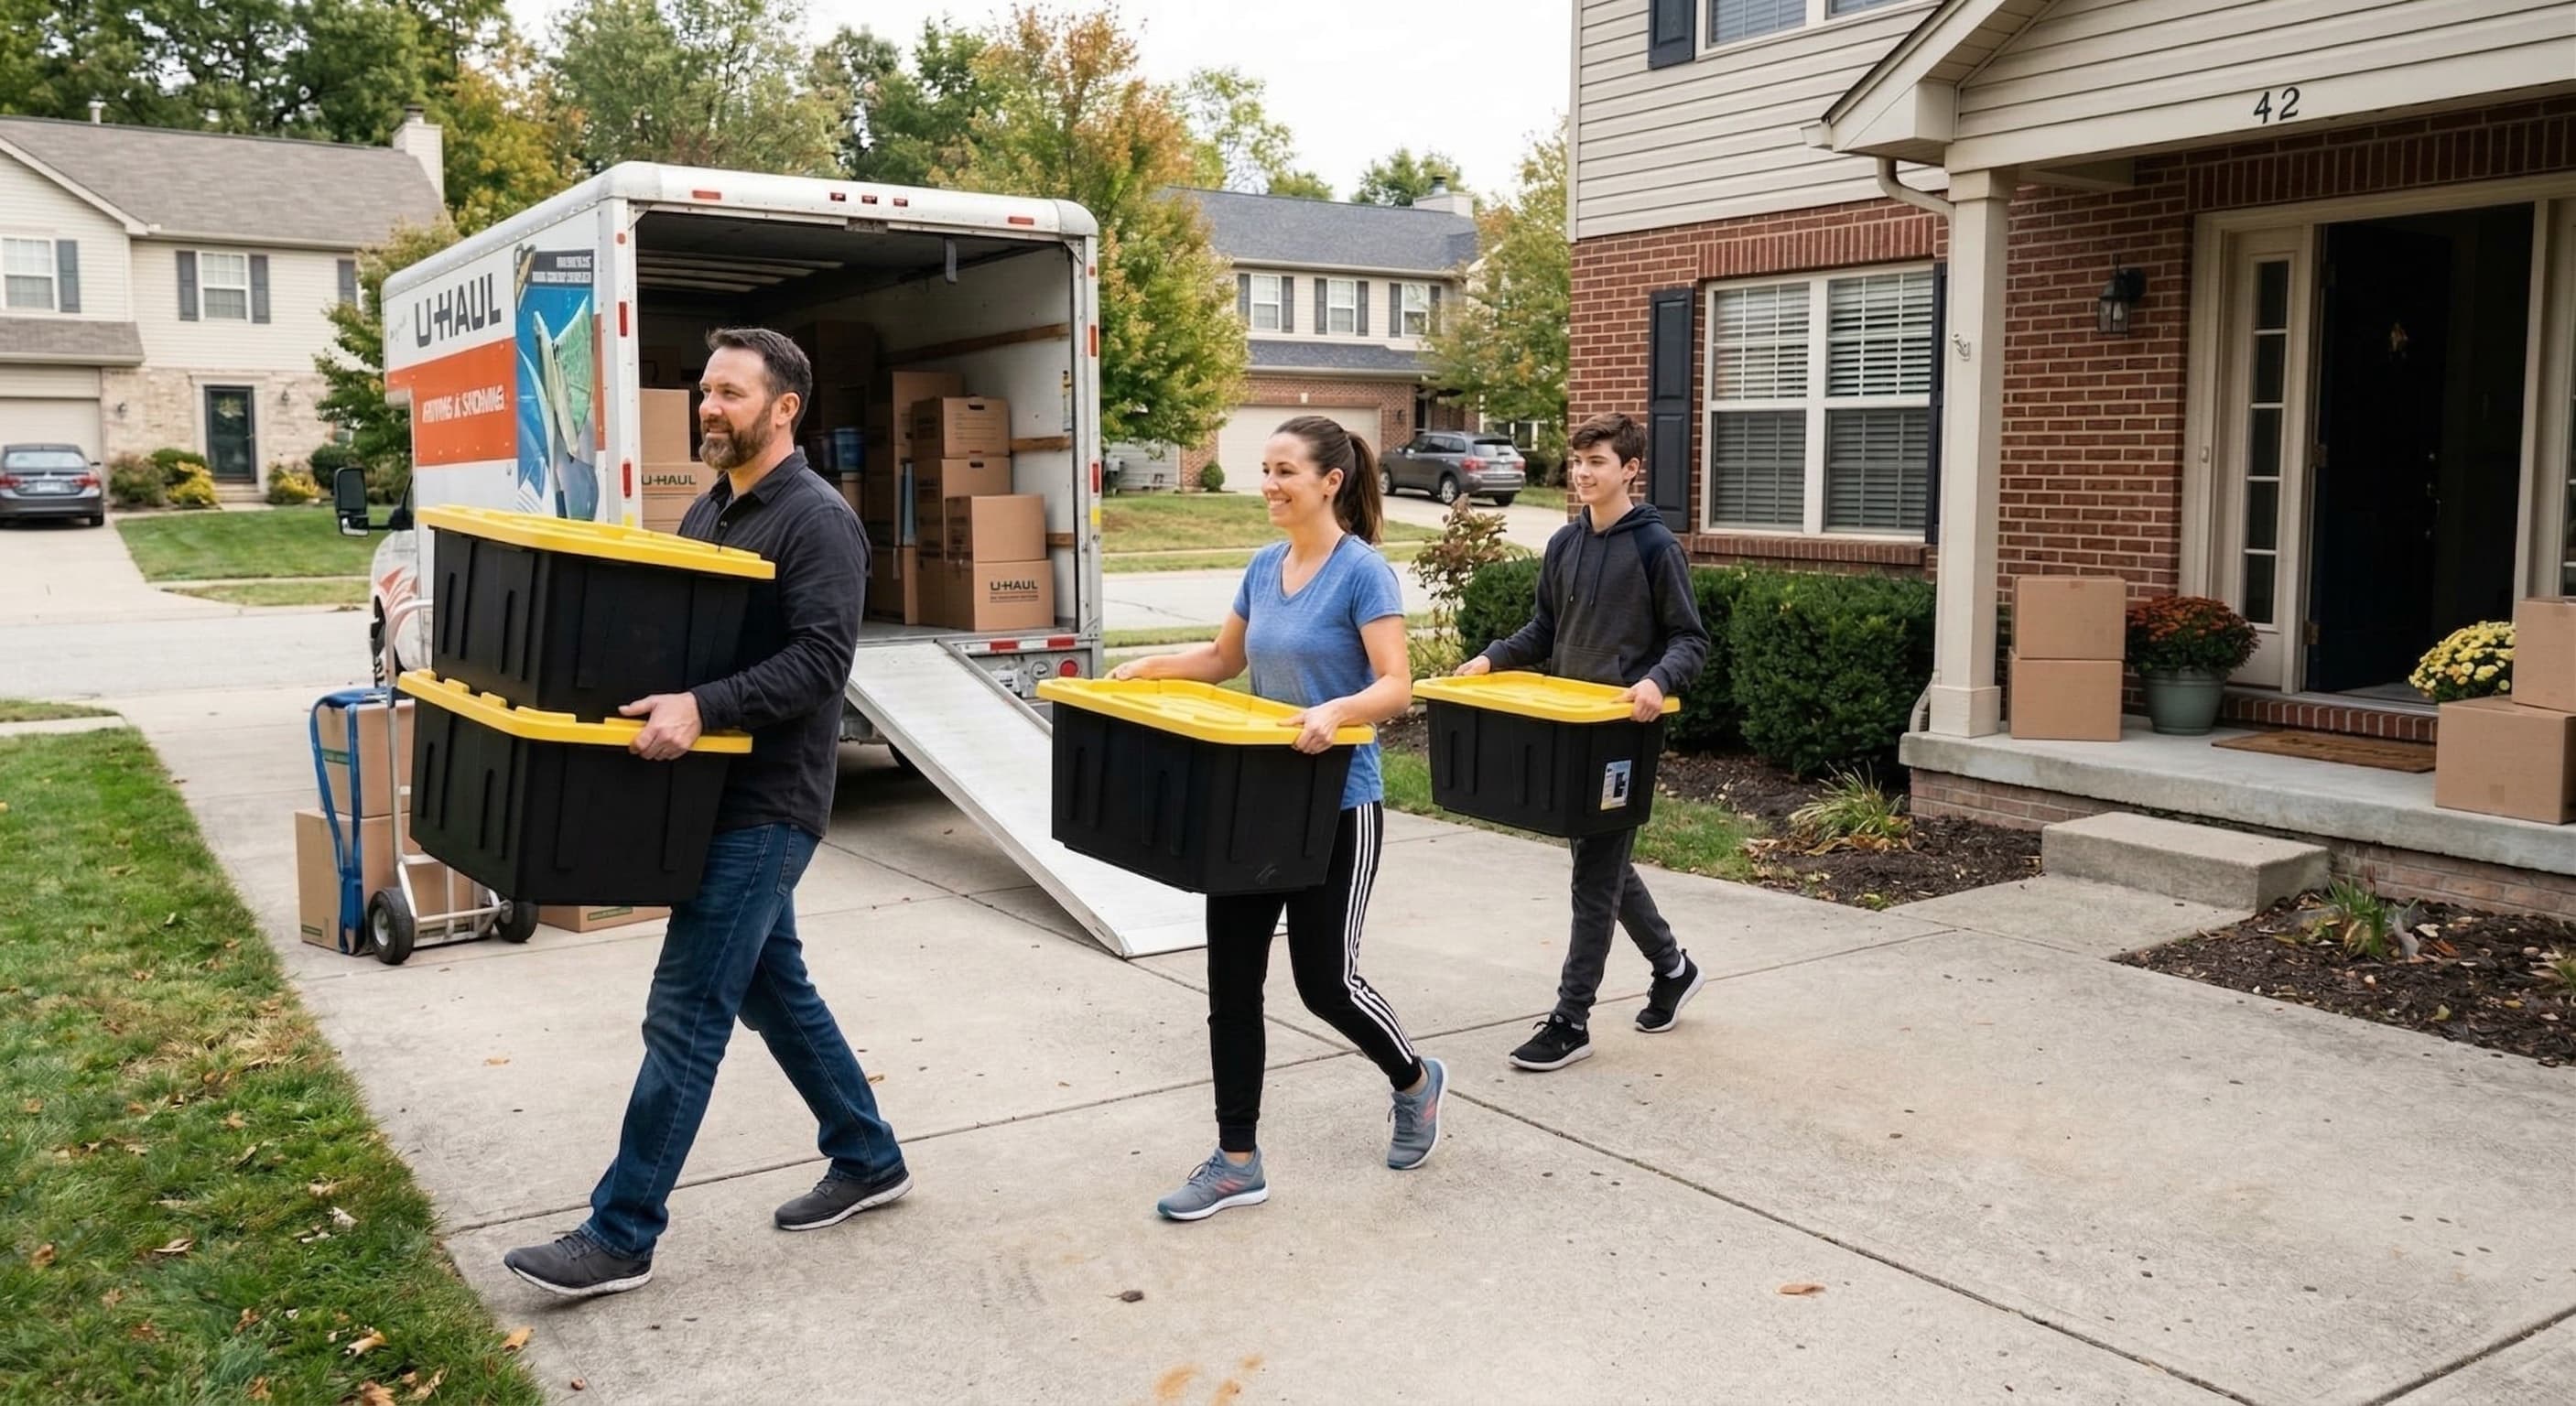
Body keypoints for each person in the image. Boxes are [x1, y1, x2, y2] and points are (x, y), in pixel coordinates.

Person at [503, 328, 907, 1298]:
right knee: (775, 992)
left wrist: (704, 707)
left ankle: (622, 1233)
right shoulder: (710, 512)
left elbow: (821, 665)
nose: (708, 408)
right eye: (705, 391)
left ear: (783, 410)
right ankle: (867, 1152)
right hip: (703, 798)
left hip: (768, 804)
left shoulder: (816, 521)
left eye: (729, 393)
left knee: (685, 1012)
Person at [1109, 416, 1444, 1220]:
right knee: (1232, 984)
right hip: (1255, 800)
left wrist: (1338, 708)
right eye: (1264, 469)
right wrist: (1151, 666)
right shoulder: (1265, 566)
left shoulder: (1363, 572)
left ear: (1329, 481)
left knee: (1324, 982)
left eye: (1284, 470)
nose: (1269, 484)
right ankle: (1236, 1161)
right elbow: (1226, 660)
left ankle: (1414, 1078)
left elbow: (1397, 684)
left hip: (1339, 801)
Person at [1456, 411, 1710, 1072]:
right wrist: (1491, 659)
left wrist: (1657, 681)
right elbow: (1544, 629)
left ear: (1630, 469)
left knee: (1594, 876)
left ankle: (1571, 1019)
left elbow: (1691, 639)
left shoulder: (1657, 549)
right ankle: (1672, 967)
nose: (1582, 473)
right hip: (1571, 730)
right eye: (1577, 462)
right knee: (1606, 865)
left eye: (1597, 462)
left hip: (1622, 733)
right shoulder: (1566, 545)